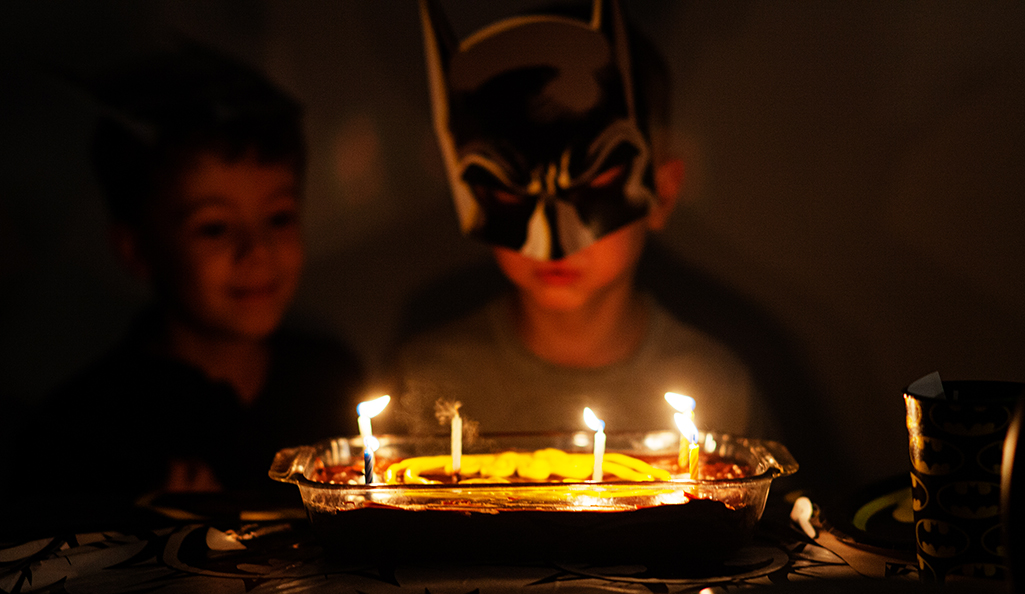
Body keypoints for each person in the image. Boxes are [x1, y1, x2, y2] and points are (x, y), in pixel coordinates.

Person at [390, 0, 774, 439]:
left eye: (592, 184)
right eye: (510, 188)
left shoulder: (717, 391)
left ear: (662, 193)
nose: (553, 239)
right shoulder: (427, 381)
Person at [13, 46, 363, 513]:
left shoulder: (328, 383)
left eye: (278, 218)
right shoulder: (84, 433)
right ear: (136, 248)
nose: (257, 251)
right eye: (214, 228)